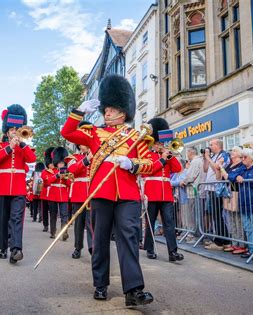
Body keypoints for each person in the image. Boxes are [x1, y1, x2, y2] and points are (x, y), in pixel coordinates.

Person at [61, 74, 154, 305]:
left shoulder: (136, 137)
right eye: (106, 109)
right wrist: (79, 112)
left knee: (129, 239)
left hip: (128, 195)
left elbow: (150, 164)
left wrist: (132, 164)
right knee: (100, 240)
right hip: (101, 194)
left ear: (123, 111)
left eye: (112, 109)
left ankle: (133, 290)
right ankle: (100, 284)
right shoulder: (93, 133)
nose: (107, 113)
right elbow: (67, 132)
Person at [0, 104, 36, 263]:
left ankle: (16, 249)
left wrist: (22, 143)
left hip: (18, 189)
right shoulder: (0, 147)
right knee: (3, 219)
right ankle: (3, 247)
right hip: (2, 189)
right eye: (12, 130)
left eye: (17, 130)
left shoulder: (24, 148)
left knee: (16, 218)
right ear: (7, 131)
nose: (14, 133)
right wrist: (10, 147)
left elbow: (32, 159)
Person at [142, 118, 184, 262]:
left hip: (166, 194)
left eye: (161, 143)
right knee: (151, 222)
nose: (160, 145)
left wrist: (169, 155)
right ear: (153, 142)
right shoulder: (147, 155)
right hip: (152, 193)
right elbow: (147, 171)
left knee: (169, 223)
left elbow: (178, 169)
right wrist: (162, 160)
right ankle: (149, 248)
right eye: (158, 143)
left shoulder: (167, 155)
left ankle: (173, 252)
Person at [228, 148, 253, 260]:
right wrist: (236, 177)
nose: (243, 159)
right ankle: (251, 249)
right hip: (243, 203)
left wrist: (243, 178)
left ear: (251, 158)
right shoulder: (242, 168)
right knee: (247, 228)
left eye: (245, 157)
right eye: (242, 157)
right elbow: (230, 175)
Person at [66, 139, 93, 259]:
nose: (85, 145)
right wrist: (87, 159)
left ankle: (93, 247)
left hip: (92, 193)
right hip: (79, 194)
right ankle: (78, 247)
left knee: (91, 222)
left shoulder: (97, 156)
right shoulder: (74, 158)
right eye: (82, 143)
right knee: (79, 223)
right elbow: (72, 170)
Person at [217, 146, 247, 255]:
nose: (232, 152)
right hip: (228, 194)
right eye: (232, 150)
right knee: (231, 219)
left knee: (238, 220)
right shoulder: (229, 165)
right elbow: (220, 177)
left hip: (237, 194)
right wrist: (219, 167)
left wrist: (221, 168)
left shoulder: (241, 165)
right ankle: (234, 242)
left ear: (240, 154)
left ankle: (242, 244)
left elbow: (230, 176)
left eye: (234, 151)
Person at [203, 139, 231, 250]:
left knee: (218, 215)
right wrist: (206, 159)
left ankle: (222, 241)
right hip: (211, 189)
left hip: (217, 189)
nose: (209, 146)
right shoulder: (214, 156)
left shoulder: (223, 155)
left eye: (211, 144)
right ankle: (220, 239)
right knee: (214, 215)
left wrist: (208, 158)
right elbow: (206, 169)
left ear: (217, 145)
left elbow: (217, 169)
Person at [45, 147, 70, 240]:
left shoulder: (67, 171)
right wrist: (57, 175)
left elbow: (69, 184)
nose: (61, 164)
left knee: (64, 215)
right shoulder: (52, 171)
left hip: (63, 195)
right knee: (53, 214)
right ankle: (53, 232)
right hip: (53, 195)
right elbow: (48, 181)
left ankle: (64, 233)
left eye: (62, 163)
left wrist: (64, 177)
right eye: (59, 163)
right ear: (56, 162)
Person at [40, 147, 55, 232]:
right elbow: (45, 179)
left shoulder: (57, 170)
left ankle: (53, 226)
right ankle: (45, 225)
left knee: (53, 211)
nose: (52, 164)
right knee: (45, 210)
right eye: (50, 163)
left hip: (53, 192)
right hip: (45, 193)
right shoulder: (44, 172)